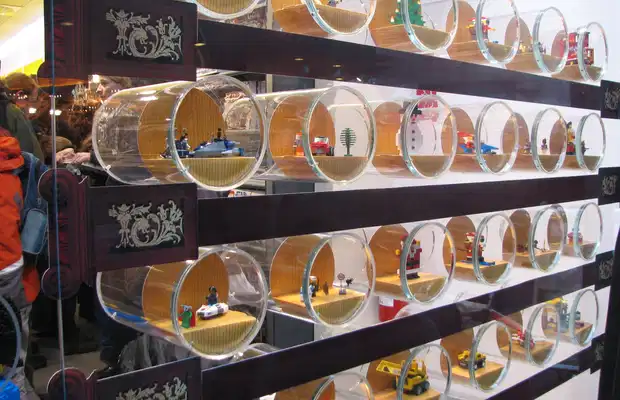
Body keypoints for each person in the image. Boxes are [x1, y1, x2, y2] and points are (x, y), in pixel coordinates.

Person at [0, 132, 40, 399]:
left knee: (12, 359)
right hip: (16, 269)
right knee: (15, 355)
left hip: (10, 269)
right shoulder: (18, 161)